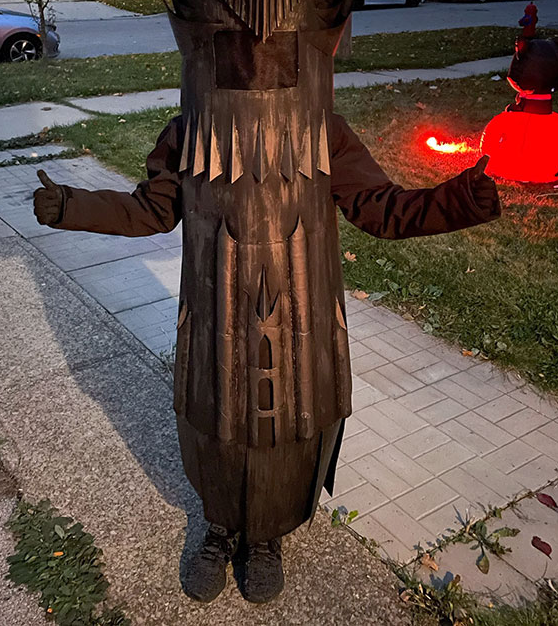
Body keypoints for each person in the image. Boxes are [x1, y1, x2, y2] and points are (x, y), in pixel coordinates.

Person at [33, 120, 500, 603]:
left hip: (298, 310)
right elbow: (153, 208)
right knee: (218, 411)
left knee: (283, 412)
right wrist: (73, 205)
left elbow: (378, 207)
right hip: (216, 310)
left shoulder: (320, 130)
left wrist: (457, 201)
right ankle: (221, 524)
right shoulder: (192, 129)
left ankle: (265, 535)